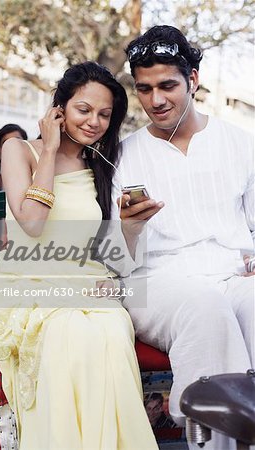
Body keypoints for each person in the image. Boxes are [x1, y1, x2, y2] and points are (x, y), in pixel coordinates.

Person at [0, 62, 158, 450]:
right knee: (68, 334)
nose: (94, 122)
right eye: (84, 110)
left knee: (111, 331)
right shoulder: (18, 150)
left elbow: (102, 250)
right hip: (27, 282)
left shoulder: (99, 167)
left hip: (85, 282)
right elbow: (33, 224)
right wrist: (51, 148)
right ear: (58, 108)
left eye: (105, 115)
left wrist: (130, 225)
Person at [111, 25, 254, 450]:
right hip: (156, 283)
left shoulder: (240, 143)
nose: (156, 100)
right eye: (144, 88)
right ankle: (212, 442)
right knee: (204, 307)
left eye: (168, 85)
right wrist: (130, 227)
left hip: (232, 273)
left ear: (193, 80)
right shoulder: (121, 154)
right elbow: (112, 261)